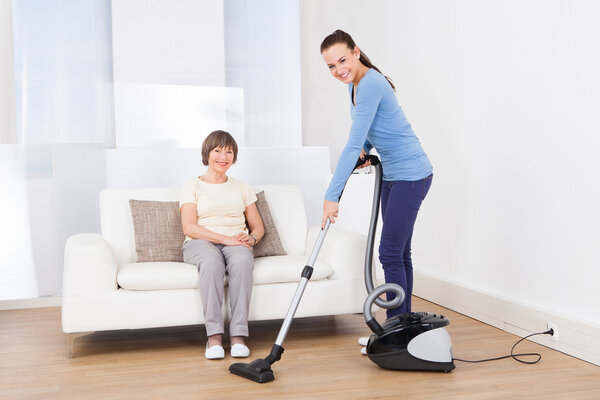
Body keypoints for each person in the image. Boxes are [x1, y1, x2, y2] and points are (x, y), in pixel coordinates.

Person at [320, 30, 433, 352]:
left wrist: (332, 195)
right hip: (395, 176)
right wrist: (364, 150)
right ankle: (401, 327)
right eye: (331, 66)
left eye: (342, 60)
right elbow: (368, 132)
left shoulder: (369, 83)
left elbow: (353, 141)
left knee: (389, 253)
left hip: (412, 175)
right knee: (400, 253)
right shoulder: (355, 85)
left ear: (356, 52)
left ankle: (396, 331)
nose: (338, 69)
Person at [180, 130, 264, 360]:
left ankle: (238, 337)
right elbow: (189, 227)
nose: (223, 156)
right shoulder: (192, 186)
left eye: (229, 151)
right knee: (211, 263)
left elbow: (258, 226)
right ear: (207, 153)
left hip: (236, 242)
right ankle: (214, 337)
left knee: (242, 262)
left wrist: (252, 239)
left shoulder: (242, 187)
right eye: (218, 150)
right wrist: (225, 238)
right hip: (200, 242)